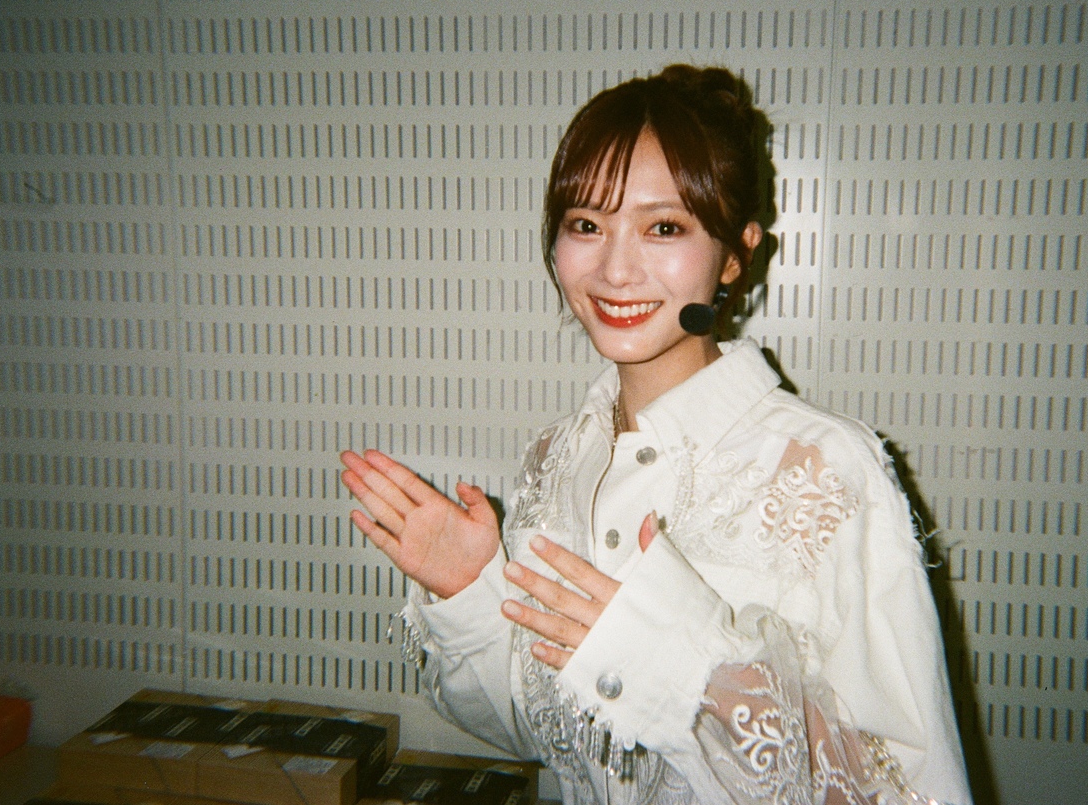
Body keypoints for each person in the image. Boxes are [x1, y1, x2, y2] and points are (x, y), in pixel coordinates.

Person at [341, 65, 972, 805]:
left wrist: (682, 668)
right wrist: (470, 594)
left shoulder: (825, 471)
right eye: (586, 225)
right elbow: (544, 734)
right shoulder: (559, 457)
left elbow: (909, 788)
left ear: (735, 253)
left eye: (663, 227)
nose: (615, 269)